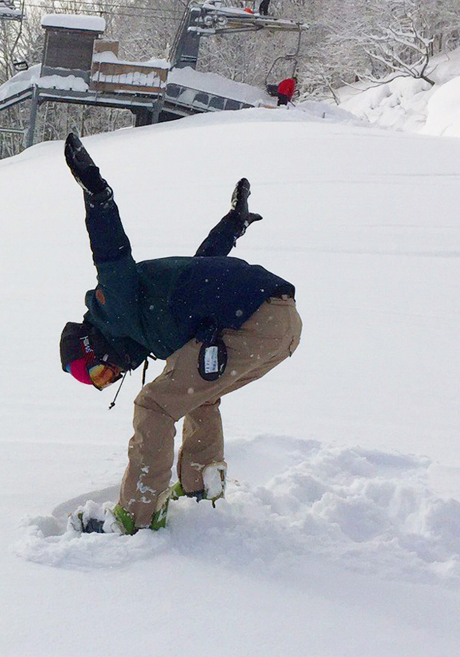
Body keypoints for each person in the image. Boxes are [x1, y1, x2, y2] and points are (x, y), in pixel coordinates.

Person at [60, 133, 302, 535]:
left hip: (256, 320)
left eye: (99, 372)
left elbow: (111, 253)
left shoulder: (116, 307)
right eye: (104, 383)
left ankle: (134, 517)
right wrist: (234, 223)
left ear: (92, 346)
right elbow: (204, 263)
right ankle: (202, 488)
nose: (112, 376)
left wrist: (97, 195)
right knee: (196, 396)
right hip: (282, 321)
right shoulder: (154, 311)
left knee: (154, 405)